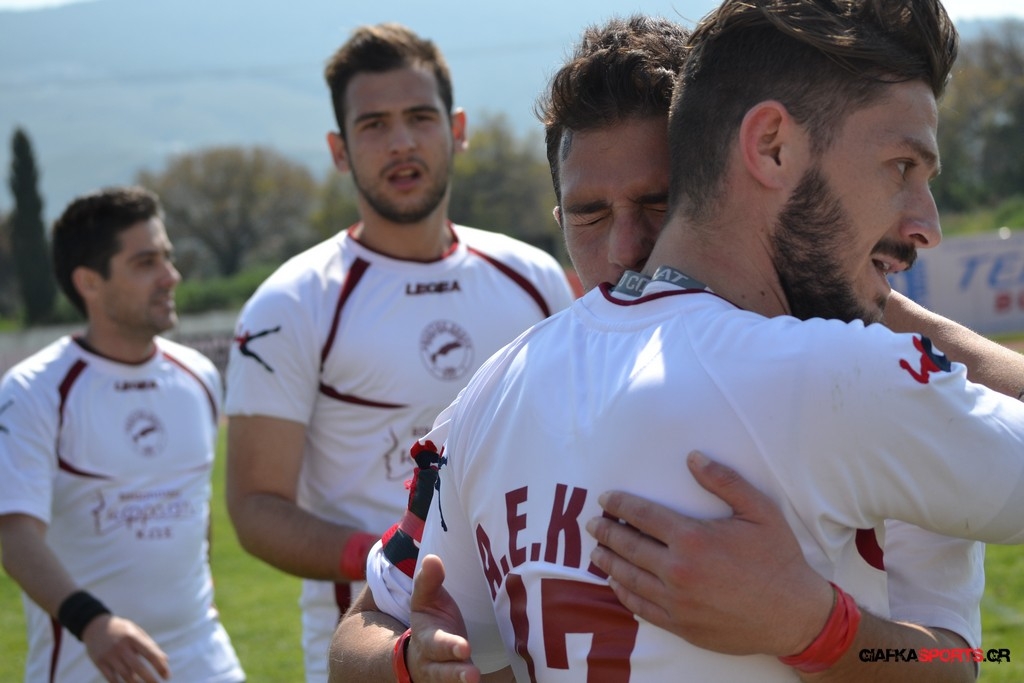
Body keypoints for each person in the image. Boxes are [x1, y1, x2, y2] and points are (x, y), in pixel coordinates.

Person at [331, 13, 1024, 682]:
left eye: (657, 203)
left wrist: (819, 629)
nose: (626, 247)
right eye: (590, 214)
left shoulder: (864, 375)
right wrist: (411, 664)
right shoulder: (495, 395)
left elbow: (953, 665)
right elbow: (366, 633)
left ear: (714, 184)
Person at [223, 22, 574, 683]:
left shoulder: (534, 276)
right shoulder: (290, 303)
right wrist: (398, 560)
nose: (402, 142)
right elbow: (255, 507)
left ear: (457, 128)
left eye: (419, 117)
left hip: (532, 644)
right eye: (374, 125)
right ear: (338, 149)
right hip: (373, 651)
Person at [0, 186, 244, 683]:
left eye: (167, 257)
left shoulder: (198, 376)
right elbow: (13, 533)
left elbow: (193, 508)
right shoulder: (34, 391)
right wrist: (92, 623)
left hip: (204, 655)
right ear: (89, 282)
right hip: (89, 663)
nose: (171, 276)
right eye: (146, 263)